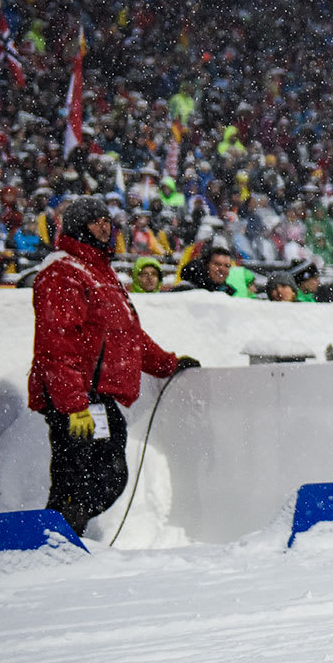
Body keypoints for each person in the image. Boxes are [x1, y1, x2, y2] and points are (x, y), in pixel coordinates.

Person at [27, 196, 201, 536]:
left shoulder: (100, 272)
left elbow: (127, 335)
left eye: (108, 221)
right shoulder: (63, 272)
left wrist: (167, 364)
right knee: (76, 479)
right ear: (78, 227)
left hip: (96, 398)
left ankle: (60, 535)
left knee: (107, 477)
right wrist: (73, 404)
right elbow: (57, 344)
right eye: (96, 221)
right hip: (74, 398)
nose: (105, 227)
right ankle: (52, 540)